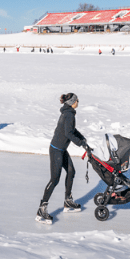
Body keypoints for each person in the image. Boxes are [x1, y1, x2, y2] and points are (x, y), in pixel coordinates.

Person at [36, 93, 90, 224]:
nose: (78, 101)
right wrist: (81, 143)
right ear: (72, 102)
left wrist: (82, 138)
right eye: (77, 100)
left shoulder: (68, 112)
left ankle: (68, 201)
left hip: (61, 149)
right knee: (54, 179)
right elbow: (68, 133)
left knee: (71, 171)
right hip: (56, 150)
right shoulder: (69, 114)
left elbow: (71, 129)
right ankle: (41, 209)